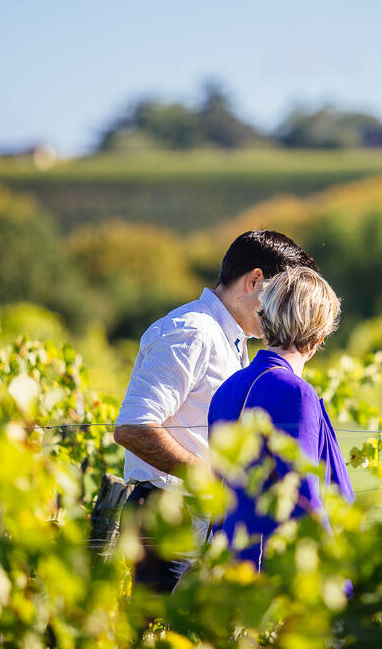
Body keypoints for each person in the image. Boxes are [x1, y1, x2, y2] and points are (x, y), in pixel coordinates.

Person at [113, 230, 316, 592]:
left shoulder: (228, 340)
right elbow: (133, 426)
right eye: (280, 295)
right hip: (169, 519)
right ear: (255, 281)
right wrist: (214, 479)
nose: (282, 310)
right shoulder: (193, 331)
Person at [208, 266, 354, 569]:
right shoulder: (295, 393)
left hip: (231, 570)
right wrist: (343, 581)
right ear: (319, 335)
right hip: (278, 576)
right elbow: (304, 500)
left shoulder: (226, 389)